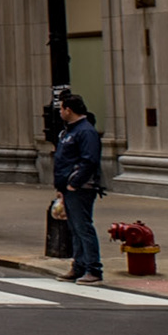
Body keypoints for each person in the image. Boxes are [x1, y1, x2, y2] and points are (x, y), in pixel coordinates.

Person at [55, 92, 105, 284]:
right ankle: (79, 266)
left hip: (80, 188)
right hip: (70, 187)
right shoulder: (70, 131)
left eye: (61, 108)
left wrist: (73, 183)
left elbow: (89, 160)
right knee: (75, 228)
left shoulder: (85, 132)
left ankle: (93, 268)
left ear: (69, 110)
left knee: (82, 227)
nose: (60, 112)